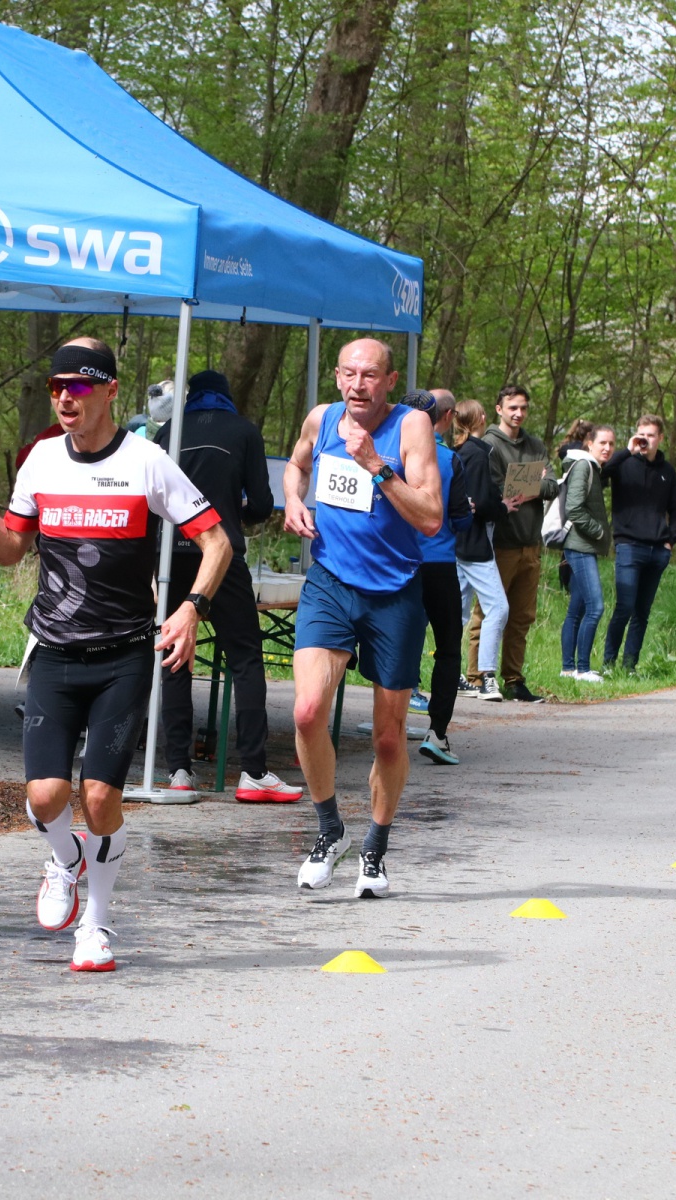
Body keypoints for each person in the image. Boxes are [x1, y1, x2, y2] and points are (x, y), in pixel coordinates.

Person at [0, 338, 228, 971]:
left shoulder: (147, 461)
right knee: (46, 798)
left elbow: (217, 542)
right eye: (56, 387)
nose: (65, 397)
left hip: (124, 655)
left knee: (99, 799)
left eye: (79, 386)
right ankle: (64, 859)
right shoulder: (42, 459)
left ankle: (95, 926)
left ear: (110, 391)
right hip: (53, 651)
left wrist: (191, 608)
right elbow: (10, 549)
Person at [283, 338, 441, 899]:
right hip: (329, 582)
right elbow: (296, 465)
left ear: (390, 381)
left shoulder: (412, 427)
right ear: (336, 377)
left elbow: (430, 517)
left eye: (370, 375)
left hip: (394, 592)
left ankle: (375, 847)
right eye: (349, 374)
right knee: (307, 712)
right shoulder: (322, 418)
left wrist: (376, 465)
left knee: (389, 740)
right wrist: (293, 499)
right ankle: (330, 830)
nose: (357, 384)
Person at [151, 369, 300, 802]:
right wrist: (236, 516)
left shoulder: (166, 433)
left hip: (169, 556)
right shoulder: (244, 431)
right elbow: (262, 502)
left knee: (174, 657)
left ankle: (179, 770)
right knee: (246, 659)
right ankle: (253, 771)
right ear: (227, 396)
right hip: (221, 554)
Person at [469, 385, 557, 703]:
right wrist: (534, 481)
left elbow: (552, 485)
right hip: (501, 544)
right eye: (512, 408)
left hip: (531, 543)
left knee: (521, 617)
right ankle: (476, 676)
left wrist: (525, 484)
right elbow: (496, 489)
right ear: (499, 409)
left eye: (523, 408)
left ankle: (514, 679)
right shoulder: (489, 445)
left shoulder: (535, 444)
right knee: (488, 613)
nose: (519, 413)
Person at [410, 389, 474, 766]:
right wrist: (466, 511)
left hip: (394, 564)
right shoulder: (449, 459)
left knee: (397, 642)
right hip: (437, 562)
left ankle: (389, 722)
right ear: (441, 418)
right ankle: (437, 733)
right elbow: (461, 520)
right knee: (448, 646)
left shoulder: (383, 455)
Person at [600, 414, 676, 673]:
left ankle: (629, 667)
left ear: (660, 438)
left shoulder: (667, 471)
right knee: (624, 607)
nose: (645, 439)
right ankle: (608, 664)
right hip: (628, 546)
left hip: (657, 550)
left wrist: (670, 542)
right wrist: (627, 450)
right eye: (641, 434)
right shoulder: (624, 463)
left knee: (642, 612)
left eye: (650, 435)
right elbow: (602, 475)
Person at [449, 398, 509, 702]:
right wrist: (503, 506)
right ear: (482, 418)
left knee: (457, 613)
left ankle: (451, 674)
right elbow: (480, 502)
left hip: (454, 541)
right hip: (474, 544)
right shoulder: (478, 454)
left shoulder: (458, 452)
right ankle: (487, 676)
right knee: (498, 607)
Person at [559, 424, 614, 681]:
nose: (607, 448)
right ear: (589, 443)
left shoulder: (592, 467)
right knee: (595, 607)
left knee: (577, 610)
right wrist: (599, 531)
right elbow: (574, 508)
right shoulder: (584, 466)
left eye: (611, 444)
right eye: (602, 442)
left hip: (583, 547)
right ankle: (582, 669)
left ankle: (568, 669)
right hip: (579, 547)